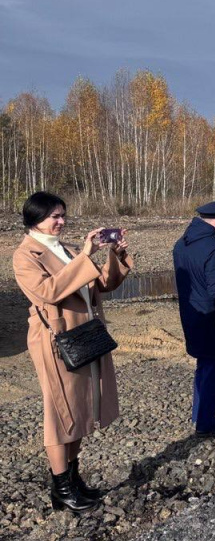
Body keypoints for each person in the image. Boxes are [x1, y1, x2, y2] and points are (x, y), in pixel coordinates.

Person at [13, 192, 132, 513]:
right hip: (57, 341)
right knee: (60, 412)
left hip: (86, 335)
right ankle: (61, 486)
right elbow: (47, 292)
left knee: (81, 408)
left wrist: (114, 256)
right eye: (54, 216)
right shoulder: (26, 255)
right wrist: (84, 255)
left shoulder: (63, 250)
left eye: (63, 215)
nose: (61, 221)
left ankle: (73, 481)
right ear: (34, 219)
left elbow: (100, 286)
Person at [173, 198, 215, 438]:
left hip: (192, 316)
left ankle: (199, 413)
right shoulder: (214, 248)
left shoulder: (181, 243)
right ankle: (205, 421)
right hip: (214, 321)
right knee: (214, 370)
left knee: (203, 367)